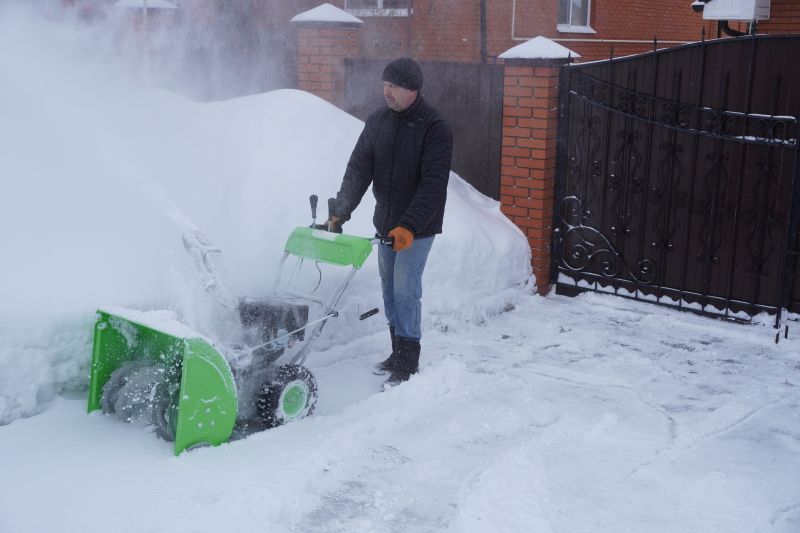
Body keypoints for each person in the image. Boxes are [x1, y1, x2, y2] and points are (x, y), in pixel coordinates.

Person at [328, 57, 453, 386]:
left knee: (406, 291)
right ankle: (396, 351)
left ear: (412, 89)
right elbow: (358, 169)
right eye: (385, 85)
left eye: (393, 86)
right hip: (385, 224)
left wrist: (409, 226)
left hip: (417, 229)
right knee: (388, 290)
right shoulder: (378, 122)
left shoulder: (434, 129)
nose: (387, 92)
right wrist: (341, 209)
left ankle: (408, 362)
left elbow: (432, 185)